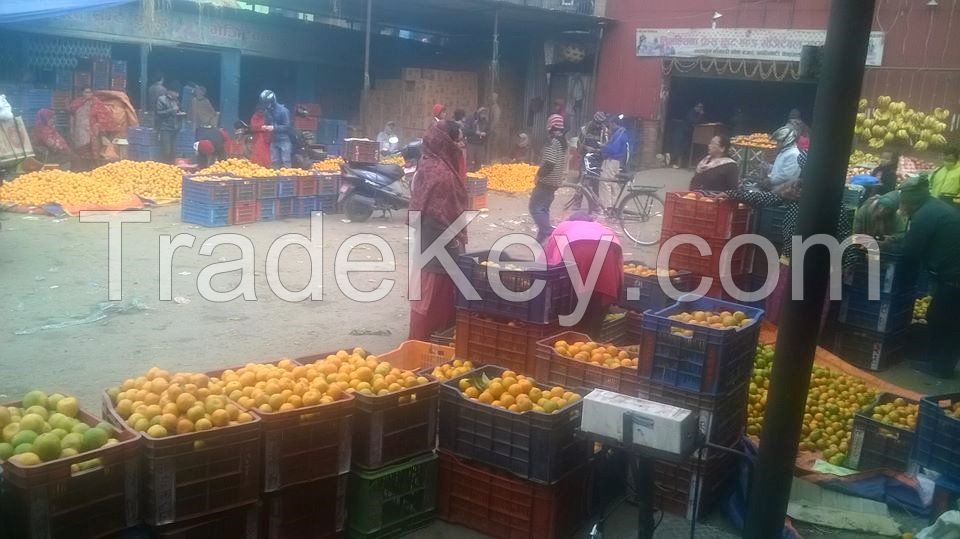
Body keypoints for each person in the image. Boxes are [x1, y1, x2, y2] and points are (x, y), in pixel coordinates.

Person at [408, 120, 469, 340]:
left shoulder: (427, 162)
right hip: (439, 240)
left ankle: (423, 337)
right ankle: (431, 340)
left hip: (426, 238)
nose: (461, 145)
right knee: (437, 295)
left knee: (425, 293)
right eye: (458, 140)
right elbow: (442, 214)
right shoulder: (443, 174)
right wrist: (453, 245)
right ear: (447, 141)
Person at [897, 178, 960, 378]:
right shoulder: (933, 207)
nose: (902, 206)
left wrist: (899, 276)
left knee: (944, 321)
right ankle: (940, 363)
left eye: (904, 202)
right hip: (951, 273)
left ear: (910, 201)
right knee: (942, 318)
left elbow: (911, 252)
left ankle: (941, 368)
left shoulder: (925, 215)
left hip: (954, 277)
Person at [542, 213, 623, 335]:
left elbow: (550, 260)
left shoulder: (563, 226)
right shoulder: (604, 228)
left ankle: (570, 332)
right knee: (598, 297)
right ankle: (591, 337)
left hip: (576, 251)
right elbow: (619, 266)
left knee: (572, 296)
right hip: (608, 253)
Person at [530, 114, 567, 243]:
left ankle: (549, 233)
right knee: (543, 209)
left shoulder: (553, 142)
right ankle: (541, 239)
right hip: (554, 182)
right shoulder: (563, 142)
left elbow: (549, 163)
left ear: (550, 126)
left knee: (535, 208)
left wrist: (538, 175)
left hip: (547, 182)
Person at [68, 87, 110, 168]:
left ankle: (92, 168)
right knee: (80, 150)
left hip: (92, 131)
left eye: (90, 92)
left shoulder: (96, 103)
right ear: (82, 93)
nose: (88, 94)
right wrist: (72, 128)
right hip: (80, 130)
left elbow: (103, 116)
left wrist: (98, 126)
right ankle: (80, 168)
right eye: (86, 92)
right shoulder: (77, 103)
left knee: (92, 151)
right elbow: (71, 114)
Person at [260, 90, 292, 169]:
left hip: (284, 140)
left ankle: (287, 179)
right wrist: (265, 127)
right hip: (273, 139)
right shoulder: (267, 112)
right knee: (274, 162)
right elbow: (267, 123)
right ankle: (275, 180)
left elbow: (287, 127)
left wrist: (274, 128)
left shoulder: (283, 111)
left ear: (273, 101)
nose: (266, 105)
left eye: (267, 103)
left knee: (286, 161)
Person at [765, 125, 802, 192]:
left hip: (782, 191)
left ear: (786, 141)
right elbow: (780, 168)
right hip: (775, 188)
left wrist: (769, 181)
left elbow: (785, 176)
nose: (777, 144)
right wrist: (769, 167)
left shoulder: (793, 154)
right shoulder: (785, 151)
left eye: (778, 141)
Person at [155, 87, 183, 164]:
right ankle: (164, 165)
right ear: (170, 91)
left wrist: (179, 114)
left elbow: (177, 111)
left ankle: (171, 167)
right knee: (166, 150)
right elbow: (159, 113)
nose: (177, 95)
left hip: (175, 128)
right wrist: (171, 110)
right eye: (176, 93)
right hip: (165, 128)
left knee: (173, 150)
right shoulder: (161, 99)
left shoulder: (176, 101)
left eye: (178, 93)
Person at [672, 102, 703, 168]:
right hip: (684, 132)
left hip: (688, 133)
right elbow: (694, 121)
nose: (700, 109)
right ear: (696, 107)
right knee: (681, 148)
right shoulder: (691, 112)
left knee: (685, 148)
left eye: (701, 107)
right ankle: (678, 164)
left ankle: (683, 164)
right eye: (699, 107)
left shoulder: (696, 113)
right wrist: (700, 115)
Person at [600, 116, 628, 180]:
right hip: (616, 160)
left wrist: (603, 147)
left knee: (605, 182)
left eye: (610, 125)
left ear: (614, 124)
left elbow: (613, 149)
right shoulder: (621, 133)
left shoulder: (619, 134)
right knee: (614, 182)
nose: (609, 127)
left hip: (612, 160)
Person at [464, 107, 490, 171]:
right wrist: (475, 132)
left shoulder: (485, 121)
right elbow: (466, 131)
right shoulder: (470, 119)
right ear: (478, 113)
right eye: (482, 113)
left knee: (478, 163)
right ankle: (469, 177)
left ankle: (478, 177)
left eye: (485, 114)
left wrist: (485, 133)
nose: (483, 115)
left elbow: (488, 130)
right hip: (471, 143)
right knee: (469, 162)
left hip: (480, 144)